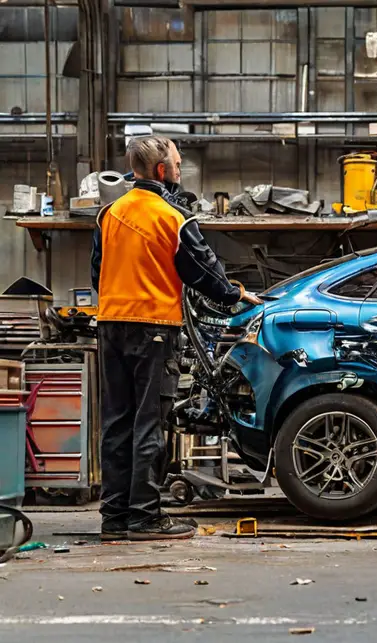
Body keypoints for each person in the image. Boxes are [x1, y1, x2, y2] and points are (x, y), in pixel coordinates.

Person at [91, 135, 262, 541]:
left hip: (111, 325)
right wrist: (237, 293)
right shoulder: (173, 216)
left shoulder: (109, 213)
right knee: (150, 422)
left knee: (117, 423)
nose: (180, 172)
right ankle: (146, 518)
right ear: (162, 171)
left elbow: (97, 272)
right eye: (179, 166)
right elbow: (204, 273)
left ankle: (115, 518)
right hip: (153, 329)